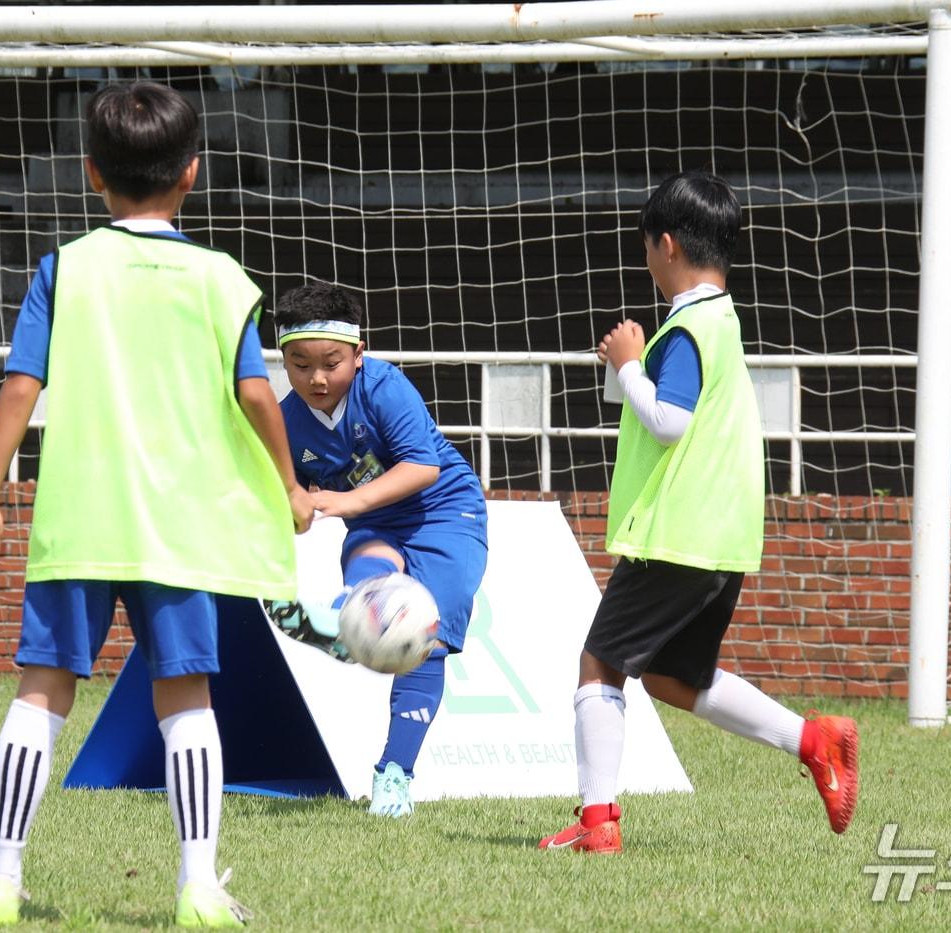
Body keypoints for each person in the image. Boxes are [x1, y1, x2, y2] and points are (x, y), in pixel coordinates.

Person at [0, 81, 313, 927]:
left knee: (40, 690)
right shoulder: (221, 277)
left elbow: (20, 384)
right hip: (179, 527)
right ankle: (197, 886)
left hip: (82, 514)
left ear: (91, 174)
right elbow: (259, 396)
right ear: (192, 174)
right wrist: (288, 482)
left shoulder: (66, 267)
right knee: (186, 697)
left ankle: (0, 880)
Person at [539, 170, 859, 854]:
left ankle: (597, 824)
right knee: (674, 676)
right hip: (720, 539)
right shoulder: (725, 321)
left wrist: (628, 365)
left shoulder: (685, 328)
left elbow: (669, 421)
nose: (647, 261)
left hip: (675, 536)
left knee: (599, 665)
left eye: (647, 249)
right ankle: (814, 739)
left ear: (665, 245)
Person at [266, 280, 488, 818]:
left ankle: (393, 775)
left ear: (359, 354)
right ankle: (345, 619)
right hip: (376, 522)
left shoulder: (387, 387)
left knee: (425, 638)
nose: (316, 378)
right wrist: (290, 508)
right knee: (372, 577)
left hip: (446, 513)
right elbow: (288, 500)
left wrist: (344, 501)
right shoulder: (285, 420)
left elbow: (423, 466)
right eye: (299, 364)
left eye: (331, 362)